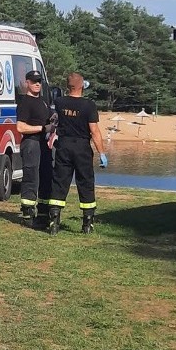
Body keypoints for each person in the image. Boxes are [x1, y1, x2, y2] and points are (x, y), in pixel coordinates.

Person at [47, 72, 107, 234]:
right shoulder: (89, 105)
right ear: (82, 86)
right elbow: (94, 131)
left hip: (64, 146)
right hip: (82, 147)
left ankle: (54, 221)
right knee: (85, 182)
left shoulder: (59, 102)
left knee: (60, 181)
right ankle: (87, 223)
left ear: (68, 86)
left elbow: (53, 121)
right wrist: (101, 152)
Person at [15, 70, 55, 228]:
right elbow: (20, 127)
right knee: (31, 178)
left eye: (39, 81)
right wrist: (42, 128)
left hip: (44, 144)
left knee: (46, 177)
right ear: (27, 83)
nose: (37, 84)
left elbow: (48, 117)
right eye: (33, 81)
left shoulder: (43, 101)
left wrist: (53, 116)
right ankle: (28, 215)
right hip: (31, 143)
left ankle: (43, 213)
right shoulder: (25, 102)